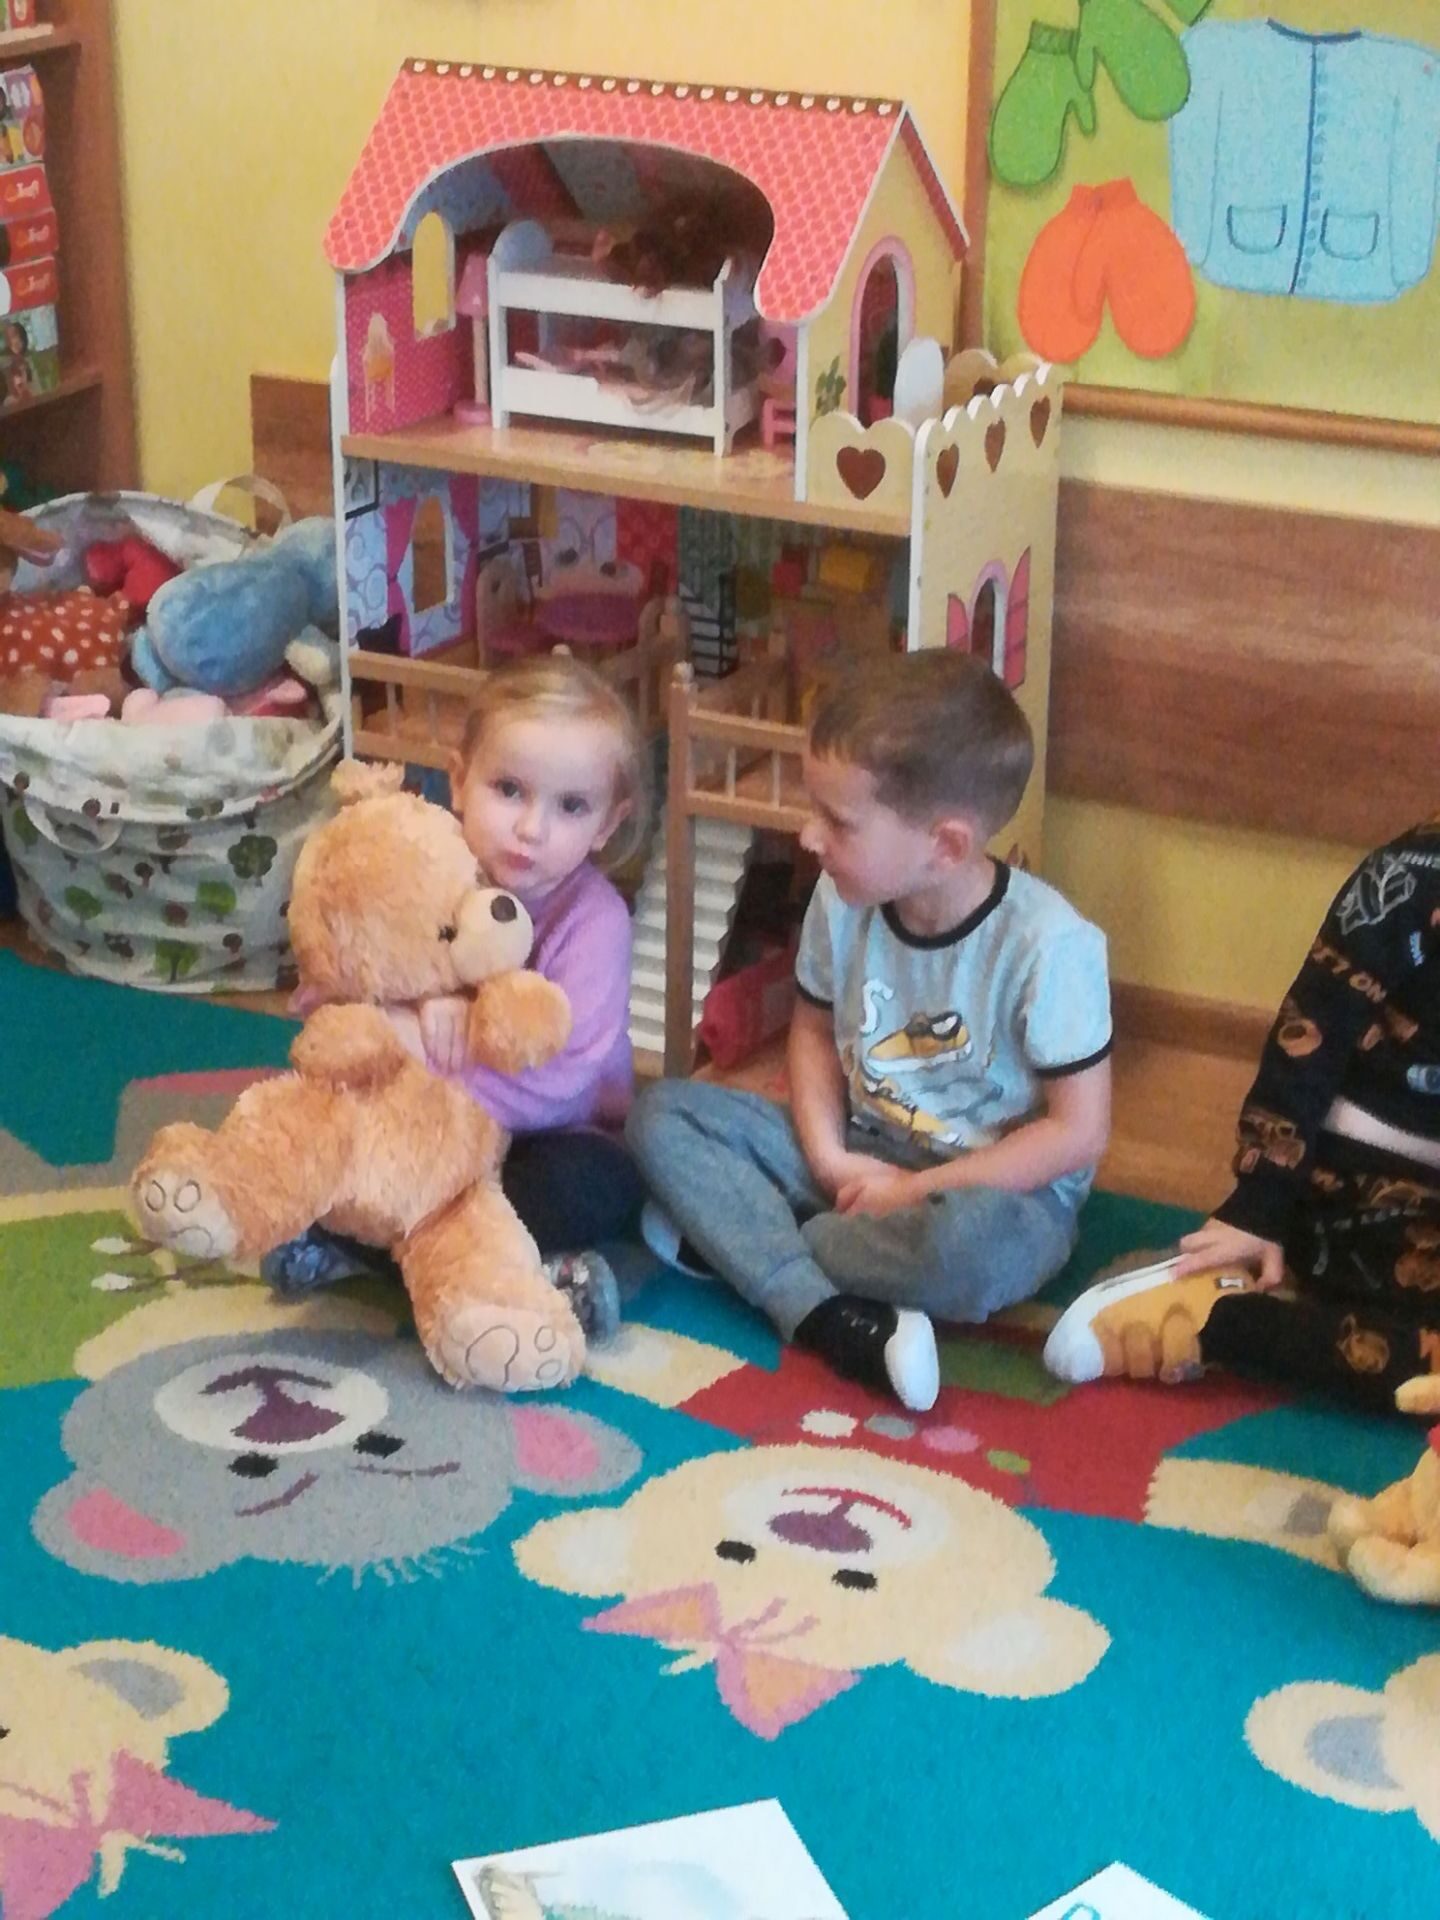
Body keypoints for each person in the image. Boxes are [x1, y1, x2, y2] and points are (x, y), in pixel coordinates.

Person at [628, 650, 1113, 1412]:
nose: (808, 835)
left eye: (838, 822)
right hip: (861, 1153)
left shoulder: (1051, 945)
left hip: (991, 1193)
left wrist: (912, 1192)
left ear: (945, 846)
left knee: (967, 1252)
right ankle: (817, 1301)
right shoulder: (841, 895)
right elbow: (813, 1033)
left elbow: (1077, 1134)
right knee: (662, 1113)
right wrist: (830, 1160)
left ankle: (761, 1248)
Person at [263, 653, 649, 1342]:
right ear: (460, 779)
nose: (532, 829)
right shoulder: (425, 868)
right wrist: (402, 1015)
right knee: (317, 1134)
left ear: (607, 825)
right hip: (418, 1128)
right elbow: (339, 985)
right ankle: (460, 1267)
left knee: (595, 1188)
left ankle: (429, 1262)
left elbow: (562, 1080)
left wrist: (440, 1047)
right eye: (510, 789)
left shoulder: (598, 921)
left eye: (571, 806)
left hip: (550, 1134)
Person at [1044, 819, 1440, 1412]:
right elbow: (1308, 1042)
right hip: (1364, 1191)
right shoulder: (1413, 875)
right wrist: (1259, 1207)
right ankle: (1225, 1318)